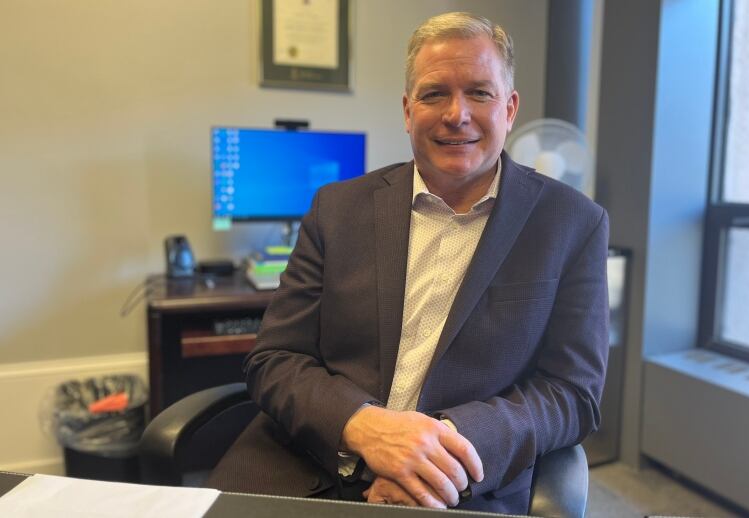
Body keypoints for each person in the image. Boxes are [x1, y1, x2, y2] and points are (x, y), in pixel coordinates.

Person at [207, 12, 609, 515]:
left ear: (510, 109)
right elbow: (274, 359)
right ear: (406, 110)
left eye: (480, 93)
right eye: (434, 93)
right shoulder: (337, 208)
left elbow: (572, 392)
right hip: (302, 460)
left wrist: (441, 451)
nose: (456, 113)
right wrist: (363, 426)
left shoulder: (572, 222)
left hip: (461, 483)